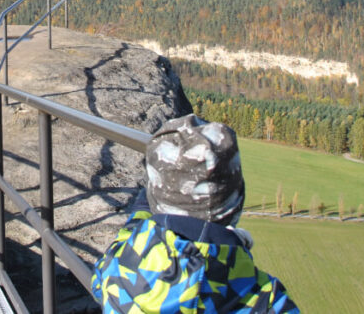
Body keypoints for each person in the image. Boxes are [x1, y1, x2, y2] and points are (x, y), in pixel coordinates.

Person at [91, 114, 299, 313]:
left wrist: (148, 202)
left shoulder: (120, 270)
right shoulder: (269, 301)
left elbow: (101, 275)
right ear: (236, 206)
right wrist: (234, 243)